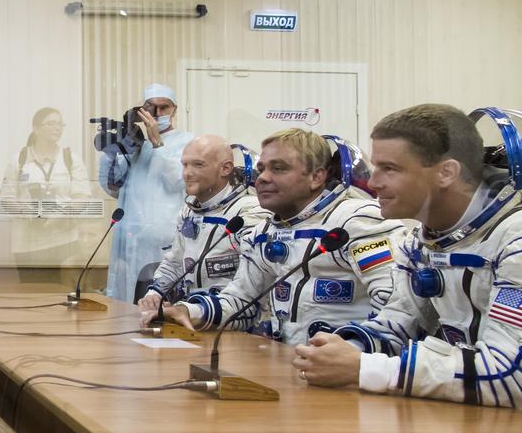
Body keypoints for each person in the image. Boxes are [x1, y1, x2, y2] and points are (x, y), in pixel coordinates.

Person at [294, 104, 522, 407]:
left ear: (446, 173)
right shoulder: (419, 243)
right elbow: (396, 323)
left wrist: (367, 369)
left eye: (390, 169)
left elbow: (511, 375)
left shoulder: (513, 239)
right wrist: (343, 350)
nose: (373, 183)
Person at [152, 128, 406, 345]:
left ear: (317, 176)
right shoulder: (264, 232)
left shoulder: (356, 223)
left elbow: (397, 308)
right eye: (262, 169)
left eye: (279, 168)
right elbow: (241, 299)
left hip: (348, 374)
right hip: (292, 363)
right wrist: (189, 311)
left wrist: (354, 348)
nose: (262, 178)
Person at [137, 135, 267, 315]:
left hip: (235, 321)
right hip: (196, 314)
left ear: (225, 168)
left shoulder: (249, 212)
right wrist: (155, 293)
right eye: (185, 165)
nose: (187, 173)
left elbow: (250, 286)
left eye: (198, 165)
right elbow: (175, 261)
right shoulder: (189, 211)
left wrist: (195, 311)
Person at [99, 83, 195, 302]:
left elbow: (177, 182)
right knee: (125, 298)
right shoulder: (133, 142)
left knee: (159, 300)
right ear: (141, 110)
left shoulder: (187, 141)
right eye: (152, 107)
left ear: (175, 110)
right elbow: (113, 188)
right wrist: (113, 151)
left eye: (164, 107)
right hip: (131, 235)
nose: (158, 113)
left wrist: (156, 142)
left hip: (165, 238)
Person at [0, 107, 93, 280]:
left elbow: (82, 197)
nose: (57, 128)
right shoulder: (19, 160)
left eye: (60, 124)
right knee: (34, 296)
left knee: (66, 294)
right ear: (35, 128)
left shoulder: (70, 158)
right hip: (28, 245)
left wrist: (61, 215)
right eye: (51, 123)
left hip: (64, 240)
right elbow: (6, 198)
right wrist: (26, 213)